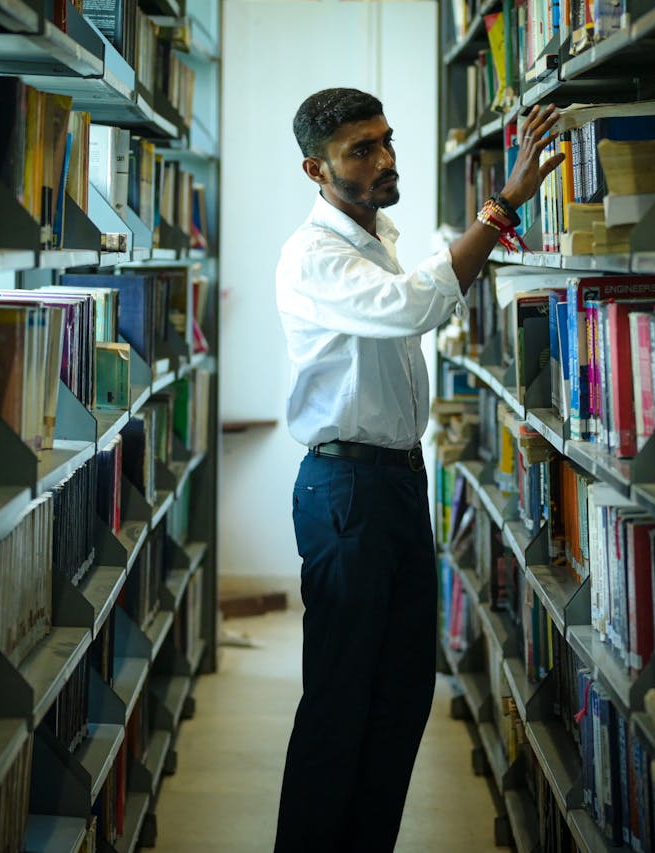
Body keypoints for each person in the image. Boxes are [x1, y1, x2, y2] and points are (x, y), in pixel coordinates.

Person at [274, 87, 564, 852]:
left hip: (398, 483)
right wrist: (501, 208)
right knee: (340, 703)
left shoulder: (384, 236)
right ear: (316, 168)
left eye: (386, 141)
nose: (385, 159)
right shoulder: (313, 254)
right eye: (359, 150)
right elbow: (412, 309)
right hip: (344, 491)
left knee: (400, 700)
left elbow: (418, 296)